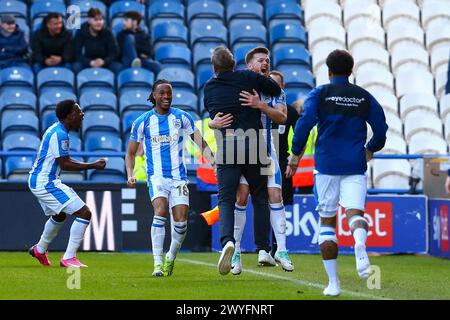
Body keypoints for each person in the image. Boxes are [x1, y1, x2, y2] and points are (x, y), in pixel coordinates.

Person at [286, 49, 388, 296]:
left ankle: (333, 284)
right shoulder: (363, 96)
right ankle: (360, 244)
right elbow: (382, 128)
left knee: (327, 223)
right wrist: (371, 148)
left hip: (327, 166)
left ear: (329, 71)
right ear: (350, 71)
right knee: (355, 214)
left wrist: (295, 152)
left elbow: (305, 122)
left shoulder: (320, 93)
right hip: (354, 165)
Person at [203, 46, 281, 275]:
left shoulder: (210, 87)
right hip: (255, 142)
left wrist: (212, 123)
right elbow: (275, 88)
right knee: (259, 196)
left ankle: (228, 241)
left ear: (214, 68)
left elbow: (214, 115)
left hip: (228, 145)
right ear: (234, 63)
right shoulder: (248, 77)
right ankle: (264, 249)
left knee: (226, 198)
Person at [125, 79, 215, 277]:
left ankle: (170, 257)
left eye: (169, 93)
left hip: (178, 178)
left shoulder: (182, 117)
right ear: (154, 96)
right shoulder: (143, 121)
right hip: (156, 176)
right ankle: (157, 263)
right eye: (163, 93)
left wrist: (214, 163)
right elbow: (130, 153)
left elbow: (201, 143)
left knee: (181, 223)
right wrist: (130, 175)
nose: (167, 97)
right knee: (160, 210)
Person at [28, 100, 107, 268]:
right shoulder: (60, 134)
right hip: (45, 182)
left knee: (59, 215)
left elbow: (64, 161)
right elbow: (65, 164)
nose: (82, 114)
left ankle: (39, 249)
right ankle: (69, 258)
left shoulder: (57, 130)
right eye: (79, 112)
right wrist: (92, 165)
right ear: (70, 116)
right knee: (84, 213)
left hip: (40, 180)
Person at [73, 8, 122, 75]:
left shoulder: (108, 33)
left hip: (104, 61)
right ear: (89, 21)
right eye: (96, 20)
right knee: (76, 66)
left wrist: (104, 61)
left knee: (117, 67)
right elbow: (77, 53)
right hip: (87, 61)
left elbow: (114, 53)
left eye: (101, 19)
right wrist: (89, 62)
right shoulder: (81, 32)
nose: (99, 22)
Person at [117, 11, 162, 75]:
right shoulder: (121, 35)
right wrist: (139, 52)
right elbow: (120, 51)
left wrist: (135, 47)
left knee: (156, 65)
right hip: (127, 60)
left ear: (135, 22)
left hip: (142, 61)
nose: (124, 23)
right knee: (130, 38)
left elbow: (149, 51)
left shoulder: (144, 34)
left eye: (126, 20)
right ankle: (134, 63)